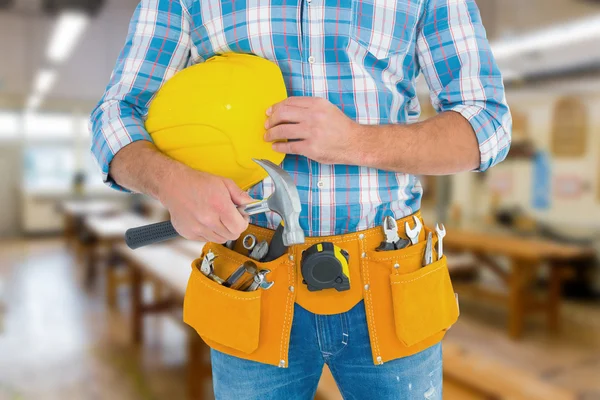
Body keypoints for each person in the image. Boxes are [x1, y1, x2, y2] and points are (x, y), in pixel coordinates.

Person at [91, 0, 511, 398]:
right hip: (250, 277)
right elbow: (117, 111)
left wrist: (355, 142)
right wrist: (171, 181)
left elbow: (487, 123)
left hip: (391, 276)